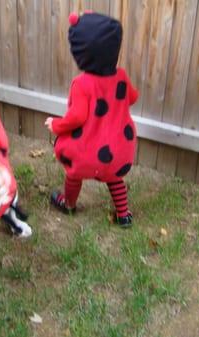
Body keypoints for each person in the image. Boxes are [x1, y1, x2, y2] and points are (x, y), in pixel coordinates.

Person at [45, 11, 138, 227]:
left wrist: (56, 125)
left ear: (82, 54)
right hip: (118, 150)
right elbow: (133, 97)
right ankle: (123, 214)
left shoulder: (82, 84)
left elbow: (77, 117)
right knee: (114, 177)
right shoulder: (121, 77)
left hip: (87, 152)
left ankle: (68, 204)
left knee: (74, 173)